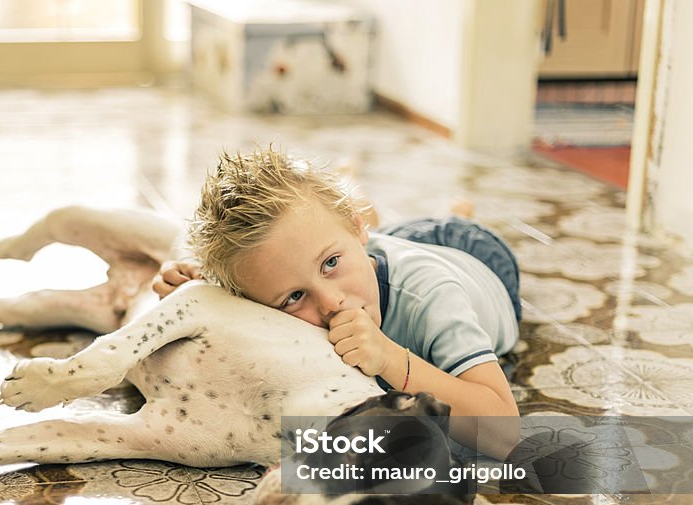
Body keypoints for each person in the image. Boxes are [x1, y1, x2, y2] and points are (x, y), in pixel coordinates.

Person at [152, 147, 521, 458]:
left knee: (438, 227)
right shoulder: (329, 255)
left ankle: (458, 213)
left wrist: (391, 359)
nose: (330, 303)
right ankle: (354, 200)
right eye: (294, 297)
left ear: (355, 230)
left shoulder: (434, 296)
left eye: (330, 264)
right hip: (379, 243)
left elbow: (503, 435)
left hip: (471, 254)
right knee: (354, 232)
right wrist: (198, 288)